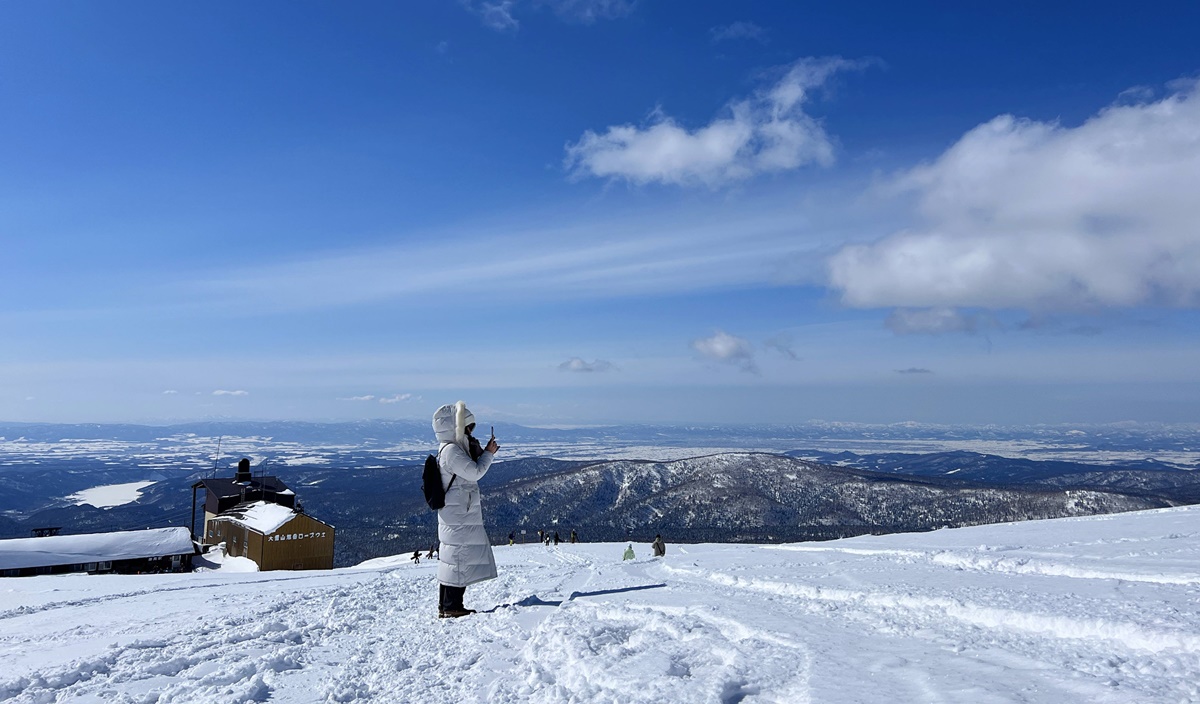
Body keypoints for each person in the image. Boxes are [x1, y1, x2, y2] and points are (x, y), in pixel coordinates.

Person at [432, 401, 499, 618]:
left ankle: (446, 605)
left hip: (457, 511)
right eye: (467, 427)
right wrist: (488, 454)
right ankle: (452, 606)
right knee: (458, 558)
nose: (470, 432)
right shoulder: (452, 450)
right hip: (459, 512)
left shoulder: (450, 448)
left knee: (452, 558)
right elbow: (475, 473)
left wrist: (478, 451)